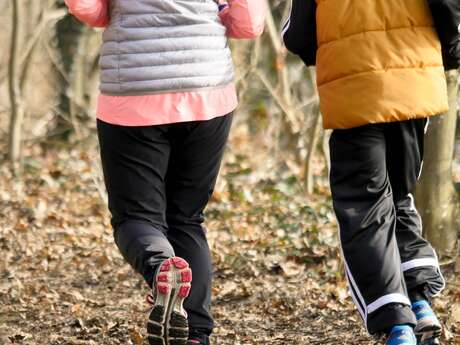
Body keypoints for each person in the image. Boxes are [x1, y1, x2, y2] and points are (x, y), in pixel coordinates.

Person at [64, 1, 265, 344]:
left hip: (133, 89)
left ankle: (162, 267)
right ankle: (196, 334)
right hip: (206, 84)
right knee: (187, 217)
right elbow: (249, 23)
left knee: (135, 216)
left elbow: (88, 9)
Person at [283, 0, 460, 344]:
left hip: (355, 89)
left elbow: (297, 34)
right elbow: (449, 7)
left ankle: (398, 326)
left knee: (364, 210)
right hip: (413, 82)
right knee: (397, 196)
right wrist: (449, 52)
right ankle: (420, 302)